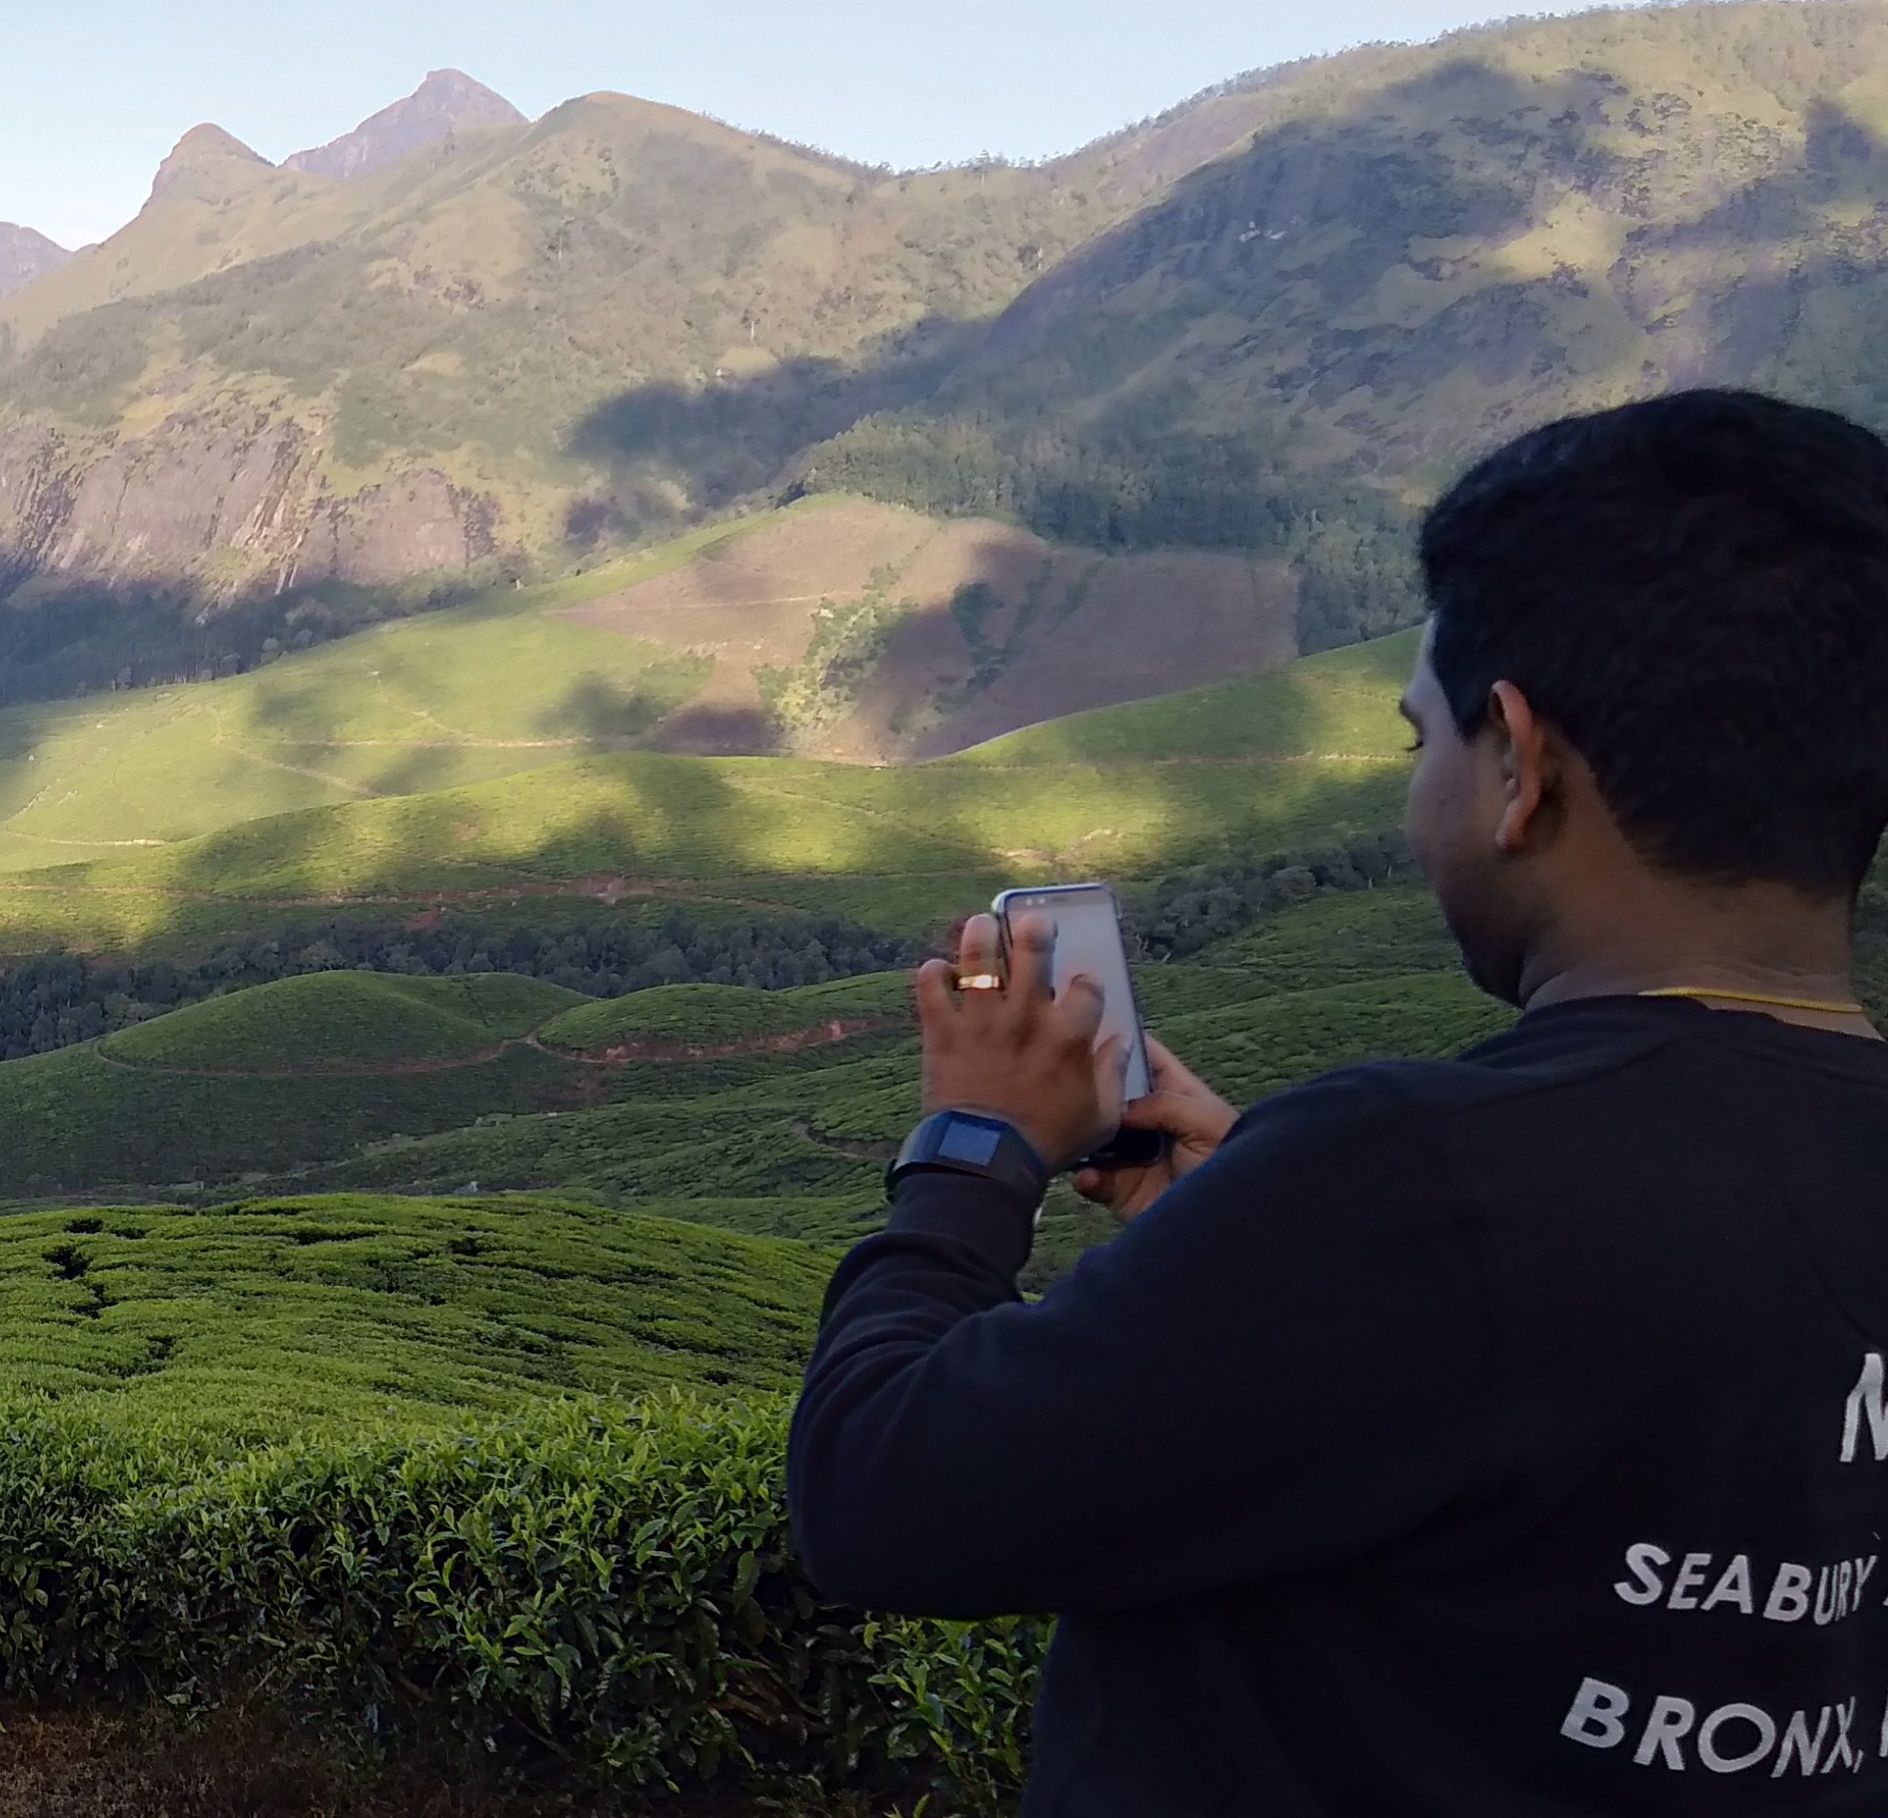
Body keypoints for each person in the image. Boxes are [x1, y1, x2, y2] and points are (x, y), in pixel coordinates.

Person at [787, 387, 1888, 1813]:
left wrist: (973, 1144)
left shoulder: (1424, 1178)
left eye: (1421, 737)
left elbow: (880, 1496)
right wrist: (1251, 1221)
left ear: (1521, 762)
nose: (1421, 788)